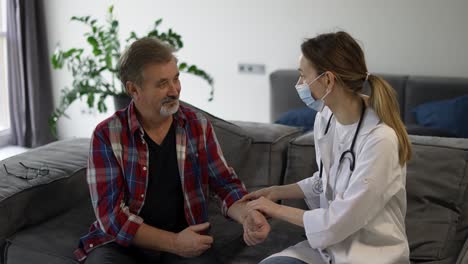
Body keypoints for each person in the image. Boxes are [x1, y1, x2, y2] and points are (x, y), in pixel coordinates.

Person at [74, 37, 270, 264]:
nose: (174, 91)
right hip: (123, 245)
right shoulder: (107, 135)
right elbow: (111, 217)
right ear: (133, 89)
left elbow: (225, 184)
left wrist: (247, 215)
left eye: (176, 79)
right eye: (162, 84)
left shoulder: (197, 125)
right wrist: (174, 242)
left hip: (187, 236)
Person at [243, 31, 412, 264]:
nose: (299, 84)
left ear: (328, 80)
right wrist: (276, 192)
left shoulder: (380, 140)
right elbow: (325, 181)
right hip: (329, 251)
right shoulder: (326, 118)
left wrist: (273, 208)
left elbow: (338, 222)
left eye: (303, 76)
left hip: (369, 255)